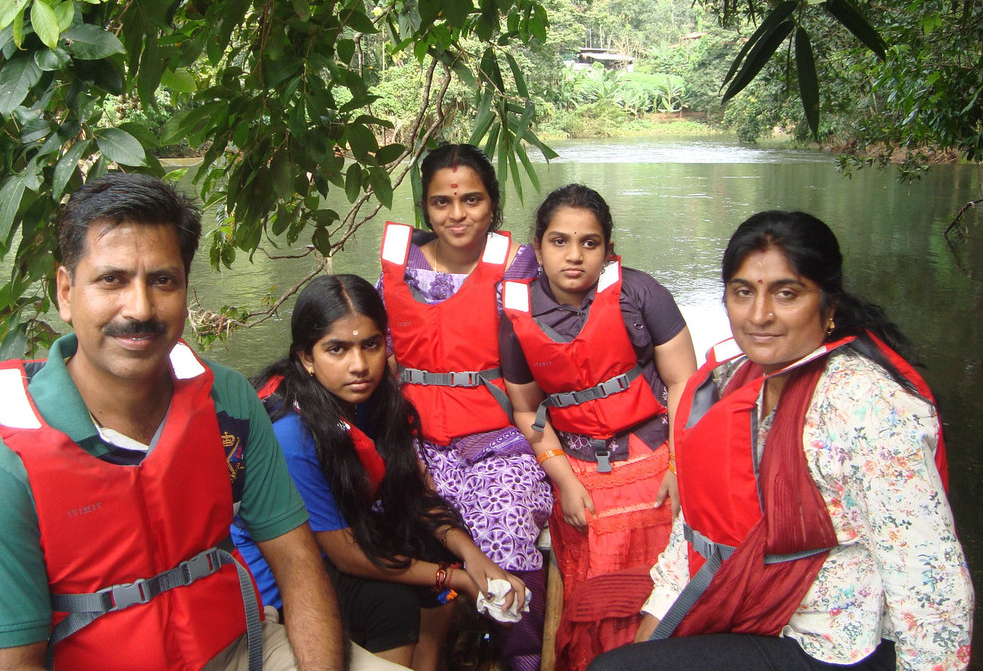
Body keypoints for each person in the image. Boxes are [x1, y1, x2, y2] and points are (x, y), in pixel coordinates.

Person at [0, 173, 392, 671]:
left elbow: (296, 563)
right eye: (111, 280)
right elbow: (8, 663)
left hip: (240, 647)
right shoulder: (7, 465)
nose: (140, 308)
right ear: (64, 290)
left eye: (163, 280)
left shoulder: (227, 401)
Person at [589, 210, 974, 671]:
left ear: (828, 308)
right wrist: (657, 624)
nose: (759, 316)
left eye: (786, 294)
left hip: (830, 642)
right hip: (744, 603)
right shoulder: (729, 382)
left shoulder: (869, 406)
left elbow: (930, 582)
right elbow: (698, 529)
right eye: (743, 292)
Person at [231, 274, 529, 671]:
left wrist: (477, 561)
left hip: (339, 541)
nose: (359, 366)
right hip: (285, 575)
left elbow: (413, 494)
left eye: (370, 345)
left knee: (435, 542)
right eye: (337, 349)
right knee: (390, 604)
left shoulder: (374, 400)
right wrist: (455, 579)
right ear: (306, 358)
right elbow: (346, 554)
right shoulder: (291, 433)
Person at [499, 183, 697, 670]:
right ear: (539, 247)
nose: (574, 256)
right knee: (596, 605)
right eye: (559, 241)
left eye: (589, 243)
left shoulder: (640, 292)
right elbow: (526, 410)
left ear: (608, 249)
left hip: (654, 457)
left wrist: (679, 464)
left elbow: (686, 383)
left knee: (662, 591)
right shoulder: (516, 316)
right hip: (579, 470)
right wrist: (563, 479)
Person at [378, 143, 553, 671]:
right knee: (389, 521)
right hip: (414, 438)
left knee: (506, 520)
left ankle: (520, 654)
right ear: (425, 207)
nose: (457, 215)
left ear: (493, 203)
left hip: (497, 439)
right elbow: (376, 345)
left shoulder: (518, 264)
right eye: (441, 203)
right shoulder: (397, 263)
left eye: (472, 200)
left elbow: (549, 340)